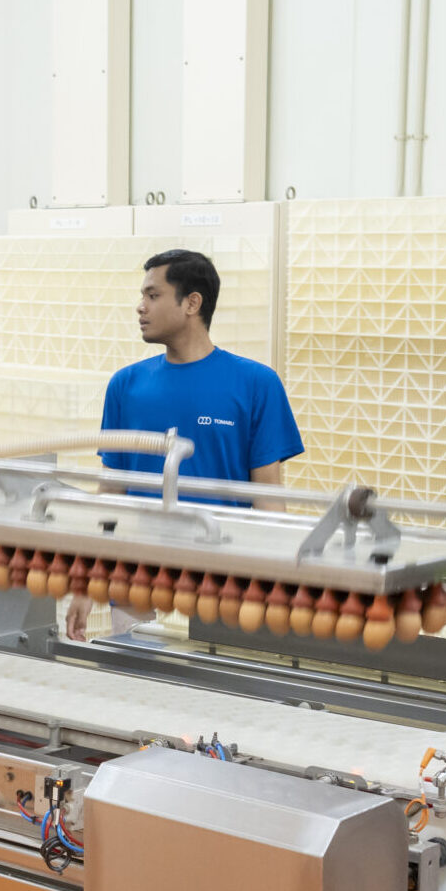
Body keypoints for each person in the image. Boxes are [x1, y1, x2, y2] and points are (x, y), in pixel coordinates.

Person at [65, 249, 303, 640]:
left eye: (153, 295)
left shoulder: (256, 384)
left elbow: (269, 500)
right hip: (137, 581)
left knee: (217, 672)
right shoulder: (126, 386)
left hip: (221, 583)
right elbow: (111, 495)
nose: (140, 307)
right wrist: (86, 582)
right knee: (135, 667)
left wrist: (281, 589)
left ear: (192, 303)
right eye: (142, 296)